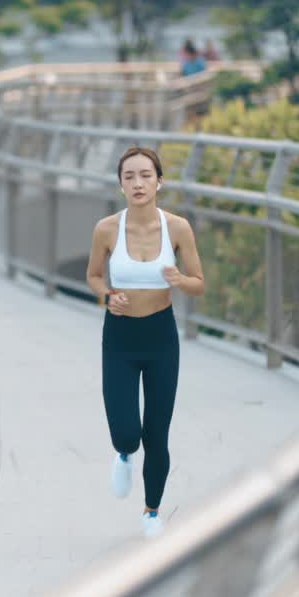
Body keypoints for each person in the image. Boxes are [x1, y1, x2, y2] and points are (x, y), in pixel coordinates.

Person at [85, 147, 206, 537]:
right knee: (127, 432)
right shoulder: (106, 229)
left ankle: (152, 511)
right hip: (119, 337)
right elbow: (93, 276)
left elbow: (198, 283)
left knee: (157, 431)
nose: (138, 183)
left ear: (159, 181)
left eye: (145, 175)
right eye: (130, 177)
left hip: (160, 337)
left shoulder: (178, 228)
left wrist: (179, 280)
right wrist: (107, 296)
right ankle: (123, 454)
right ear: (120, 185)